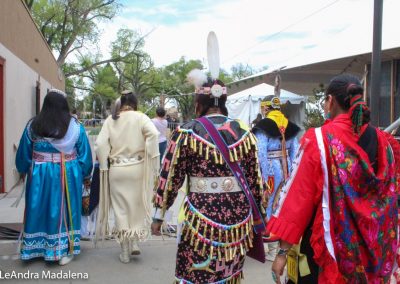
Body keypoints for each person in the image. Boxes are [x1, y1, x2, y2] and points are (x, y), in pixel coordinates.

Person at [268, 74, 398, 284]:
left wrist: (282, 253)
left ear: (330, 101)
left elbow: (299, 197)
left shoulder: (319, 140)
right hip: (373, 251)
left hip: (332, 250)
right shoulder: (384, 142)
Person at [151, 69, 266, 283]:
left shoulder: (187, 132)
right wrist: (261, 213)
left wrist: (159, 214)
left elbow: (169, 176)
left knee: (197, 273)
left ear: (199, 102)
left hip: (200, 216)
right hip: (237, 217)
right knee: (227, 272)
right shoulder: (244, 131)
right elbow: (255, 178)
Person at [15, 89, 93, 265]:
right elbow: (85, 156)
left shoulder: (33, 126)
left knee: (39, 207)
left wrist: (23, 168)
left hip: (39, 174)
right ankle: (64, 249)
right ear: (64, 106)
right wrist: (84, 173)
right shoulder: (75, 127)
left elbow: (23, 154)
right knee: (65, 209)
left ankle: (36, 248)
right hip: (66, 173)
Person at [94, 90, 159, 264]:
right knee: (137, 205)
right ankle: (135, 241)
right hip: (137, 168)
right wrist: (151, 156)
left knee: (121, 209)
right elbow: (153, 134)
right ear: (134, 103)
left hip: (117, 169)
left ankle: (124, 251)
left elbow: (100, 143)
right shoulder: (141, 117)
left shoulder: (111, 120)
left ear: (120, 103)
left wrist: (104, 165)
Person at [252, 96, 300, 261]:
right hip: (286, 170)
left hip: (271, 169)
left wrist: (263, 177)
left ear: (265, 108)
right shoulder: (290, 126)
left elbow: (260, 152)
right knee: (281, 205)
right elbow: (295, 152)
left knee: (267, 205)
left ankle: (271, 248)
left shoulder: (263, 126)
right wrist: (292, 174)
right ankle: (280, 247)